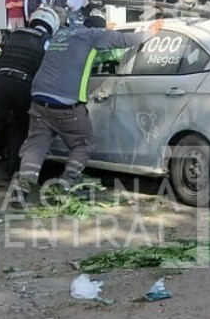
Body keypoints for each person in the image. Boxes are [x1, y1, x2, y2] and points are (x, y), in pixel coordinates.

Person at [15, 13, 163, 190]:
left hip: (39, 98)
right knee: (83, 144)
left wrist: (104, 29)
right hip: (66, 103)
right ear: (99, 28)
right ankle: (66, 184)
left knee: (36, 145)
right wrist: (151, 32)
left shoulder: (62, 34)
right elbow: (124, 40)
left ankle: (22, 187)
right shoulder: (94, 35)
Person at [0, 7, 61, 180]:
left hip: (0, 83)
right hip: (24, 87)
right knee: (20, 130)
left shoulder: (14, 34)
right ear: (51, 24)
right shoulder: (46, 41)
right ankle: (15, 172)